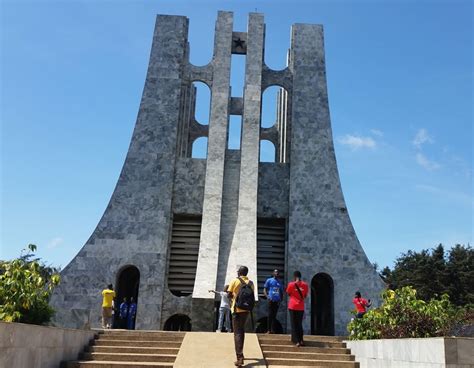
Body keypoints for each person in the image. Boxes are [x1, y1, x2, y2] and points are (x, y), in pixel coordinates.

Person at [227, 266, 255, 367]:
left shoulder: (235, 281)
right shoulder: (251, 283)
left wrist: (232, 299)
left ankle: (240, 358)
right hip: (246, 310)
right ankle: (241, 353)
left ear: (239, 273)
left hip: (237, 310)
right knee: (241, 331)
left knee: (237, 333)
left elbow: (229, 294)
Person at [286, 271, 308, 347]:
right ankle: (301, 340)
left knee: (294, 324)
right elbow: (305, 296)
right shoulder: (305, 285)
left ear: (294, 276)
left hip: (292, 306)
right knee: (299, 324)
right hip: (300, 307)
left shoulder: (291, 284)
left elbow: (288, 293)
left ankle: (296, 341)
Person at [263, 269, 283, 334]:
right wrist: (267, 297)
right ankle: (268, 329)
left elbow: (281, 291)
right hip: (271, 300)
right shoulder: (269, 280)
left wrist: (281, 299)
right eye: (275, 272)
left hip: (277, 300)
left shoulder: (280, 282)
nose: (277, 274)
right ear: (273, 273)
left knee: (274, 315)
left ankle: (273, 329)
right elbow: (265, 289)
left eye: (278, 273)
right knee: (270, 315)